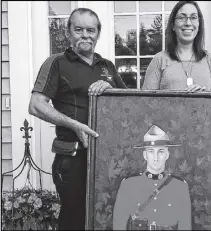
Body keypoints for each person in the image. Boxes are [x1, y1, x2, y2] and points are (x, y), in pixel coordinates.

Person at [28, 8, 127, 230]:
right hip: (72, 157)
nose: (85, 35)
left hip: (106, 158)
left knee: (105, 216)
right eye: (79, 29)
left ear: (98, 34)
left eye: (91, 30)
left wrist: (111, 88)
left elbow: (127, 103)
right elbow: (36, 105)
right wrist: (75, 125)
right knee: (74, 219)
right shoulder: (56, 62)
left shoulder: (107, 66)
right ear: (68, 32)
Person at [142, 1, 211, 112]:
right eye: (182, 17)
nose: (188, 23)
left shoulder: (210, 60)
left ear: (199, 24)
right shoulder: (159, 60)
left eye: (193, 17)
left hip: (204, 128)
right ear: (173, 25)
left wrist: (208, 96)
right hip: (167, 128)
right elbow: (145, 103)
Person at [113, 125, 192, 230]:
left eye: (161, 151)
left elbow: (185, 226)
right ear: (145, 155)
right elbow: (119, 225)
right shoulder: (128, 185)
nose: (156, 157)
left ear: (167, 155)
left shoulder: (180, 186)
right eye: (151, 151)